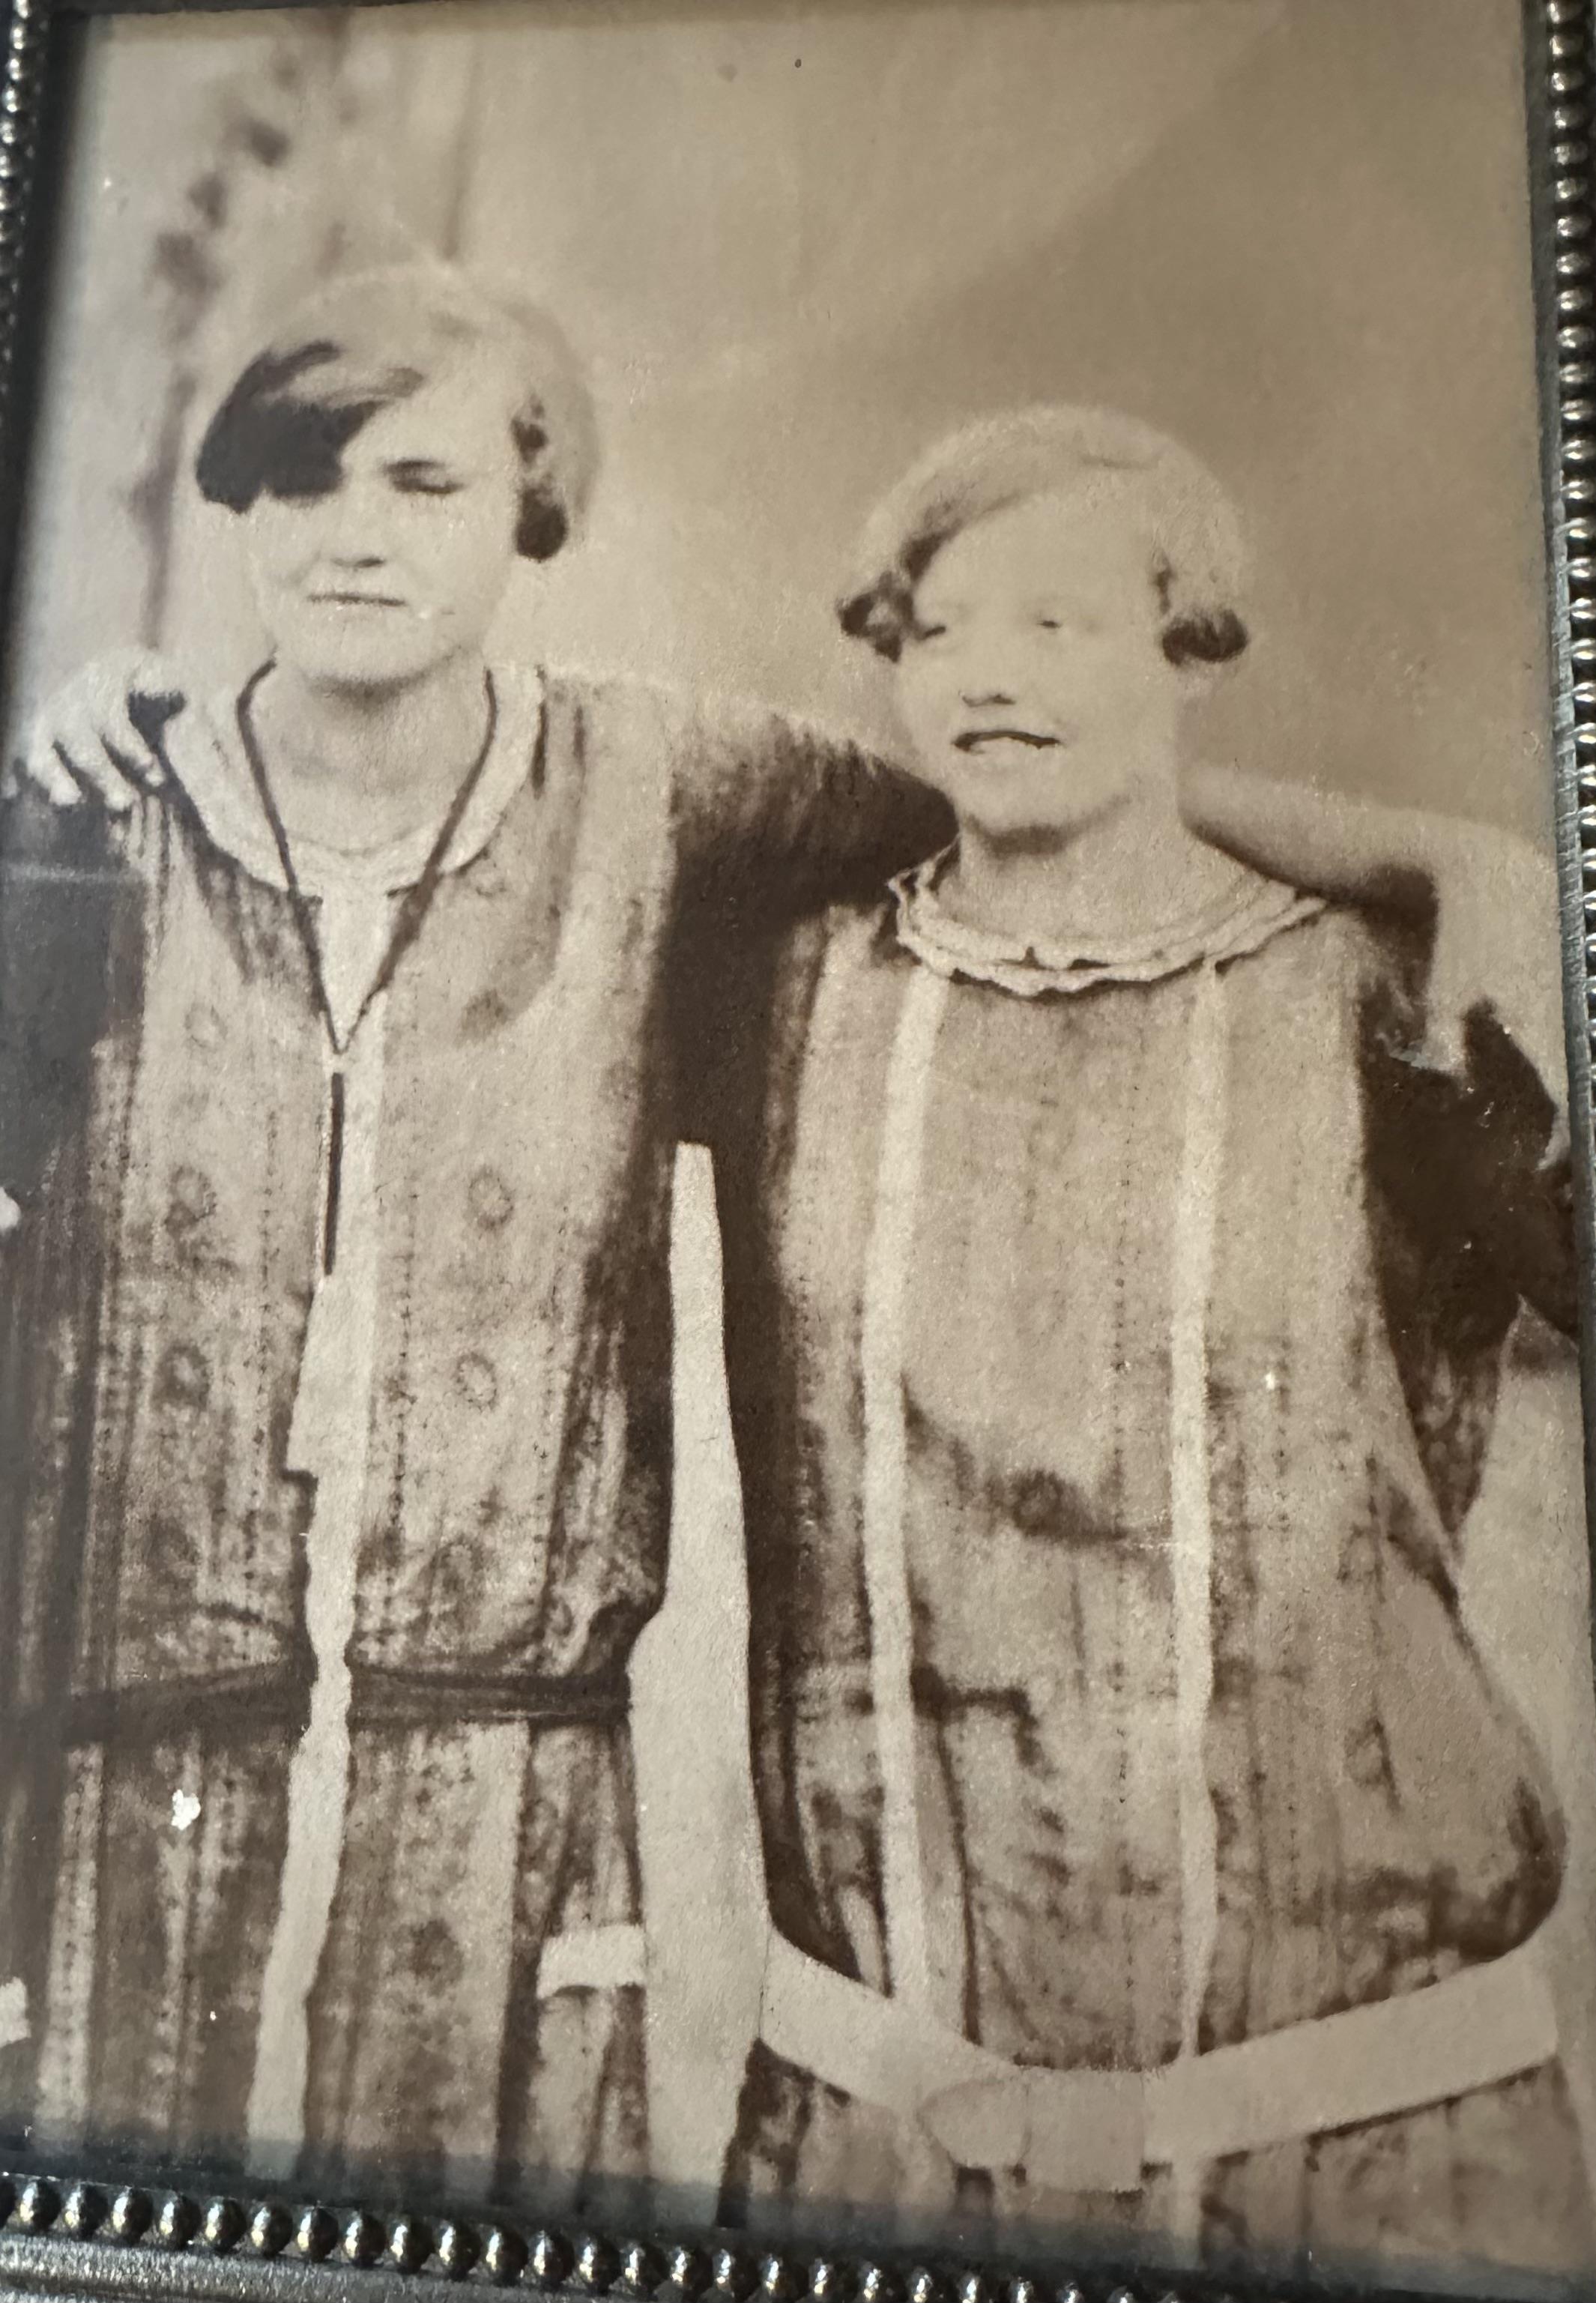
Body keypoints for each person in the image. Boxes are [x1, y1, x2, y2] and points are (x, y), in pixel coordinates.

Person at [0, 259, 952, 2206]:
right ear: (242, 506)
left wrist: (1405, 862)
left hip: (501, 1785)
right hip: (122, 1783)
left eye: (420, 483)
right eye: (302, 478)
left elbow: (995, 807)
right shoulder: (92, 803)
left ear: (530, 503)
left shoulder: (660, 781)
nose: (352, 535)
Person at [701, 408, 1596, 2274]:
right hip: (883, 2120)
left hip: (1360, 2135)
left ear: (1192, 649)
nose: (987, 678)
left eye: (1058, 625)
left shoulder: (1387, 1003)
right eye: (936, 631)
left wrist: (1478, 877)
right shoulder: (782, 992)